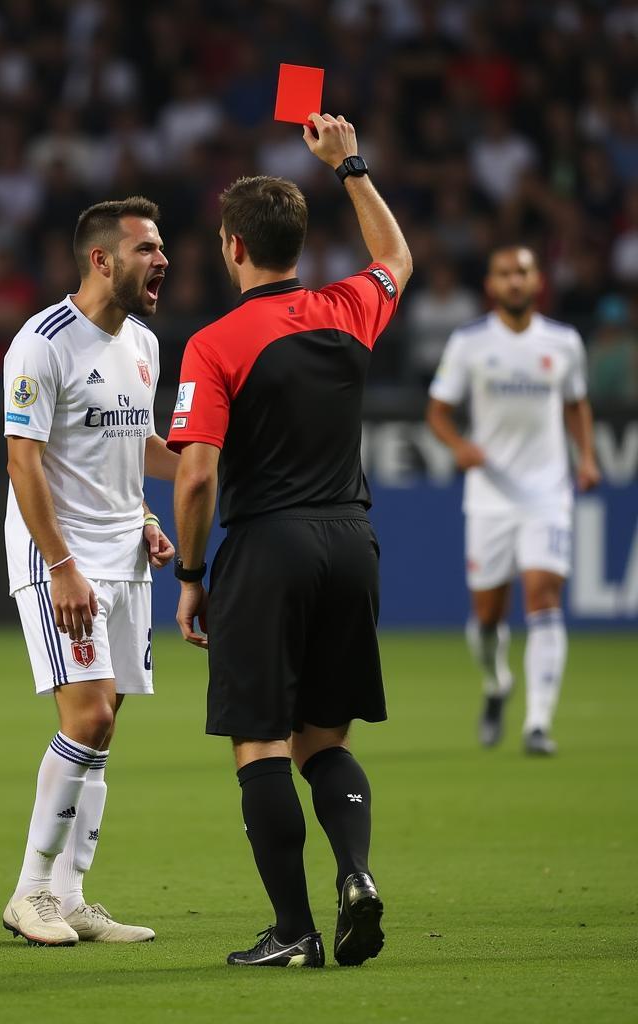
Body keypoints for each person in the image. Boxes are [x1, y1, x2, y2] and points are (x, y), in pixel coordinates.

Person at [169, 115, 413, 969]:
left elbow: (195, 476)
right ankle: (356, 875)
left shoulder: (214, 342)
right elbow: (399, 259)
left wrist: (193, 574)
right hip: (353, 541)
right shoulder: (349, 308)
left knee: (261, 742)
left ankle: (293, 932)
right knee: (326, 742)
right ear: (298, 243)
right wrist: (349, 164)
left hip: (268, 548)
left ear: (233, 246)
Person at [2, 197, 177, 946]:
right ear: (102, 259)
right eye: (146, 248)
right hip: (60, 557)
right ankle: (30, 891)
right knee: (90, 716)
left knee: (106, 732)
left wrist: (153, 513)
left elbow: (138, 447)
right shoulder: (41, 344)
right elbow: (23, 461)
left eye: (161, 247)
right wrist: (63, 565)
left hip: (124, 552)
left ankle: (72, 896)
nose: (162, 260)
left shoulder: (144, 342)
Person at [426, 246, 600, 754]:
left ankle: (538, 724)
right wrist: (459, 447)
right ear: (492, 285)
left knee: (544, 596)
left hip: (547, 491)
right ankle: (496, 682)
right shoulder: (470, 343)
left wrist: (586, 457)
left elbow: (576, 403)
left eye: (522, 272)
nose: (515, 281)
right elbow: (437, 411)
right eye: (505, 274)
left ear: (537, 280)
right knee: (487, 616)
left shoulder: (564, 342)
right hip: (490, 496)